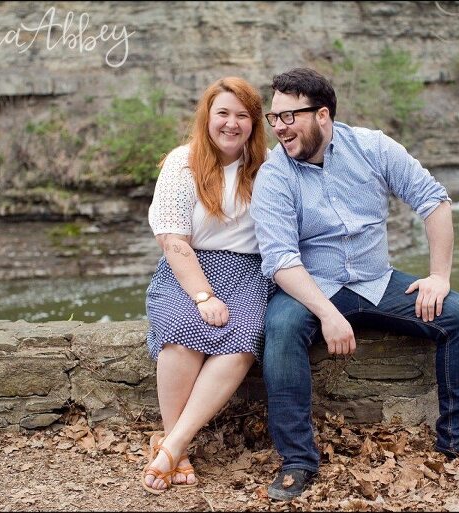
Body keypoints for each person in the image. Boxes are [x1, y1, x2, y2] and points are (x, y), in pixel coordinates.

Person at [250, 67, 459, 501]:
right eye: (274, 117)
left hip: (378, 281)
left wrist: (439, 276)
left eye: (289, 116)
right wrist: (327, 313)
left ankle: (457, 442)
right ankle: (297, 460)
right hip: (311, 287)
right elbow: (280, 260)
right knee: (279, 331)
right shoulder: (274, 175)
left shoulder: (373, 146)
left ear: (322, 115)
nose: (279, 127)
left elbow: (434, 201)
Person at [142, 76, 271, 494]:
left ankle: (172, 445)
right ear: (208, 117)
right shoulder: (184, 162)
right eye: (223, 113)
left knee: (243, 339)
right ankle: (175, 448)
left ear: (254, 122)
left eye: (242, 115)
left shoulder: (269, 166)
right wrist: (203, 295)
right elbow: (173, 240)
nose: (231, 123)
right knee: (181, 332)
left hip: (249, 272)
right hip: (188, 268)